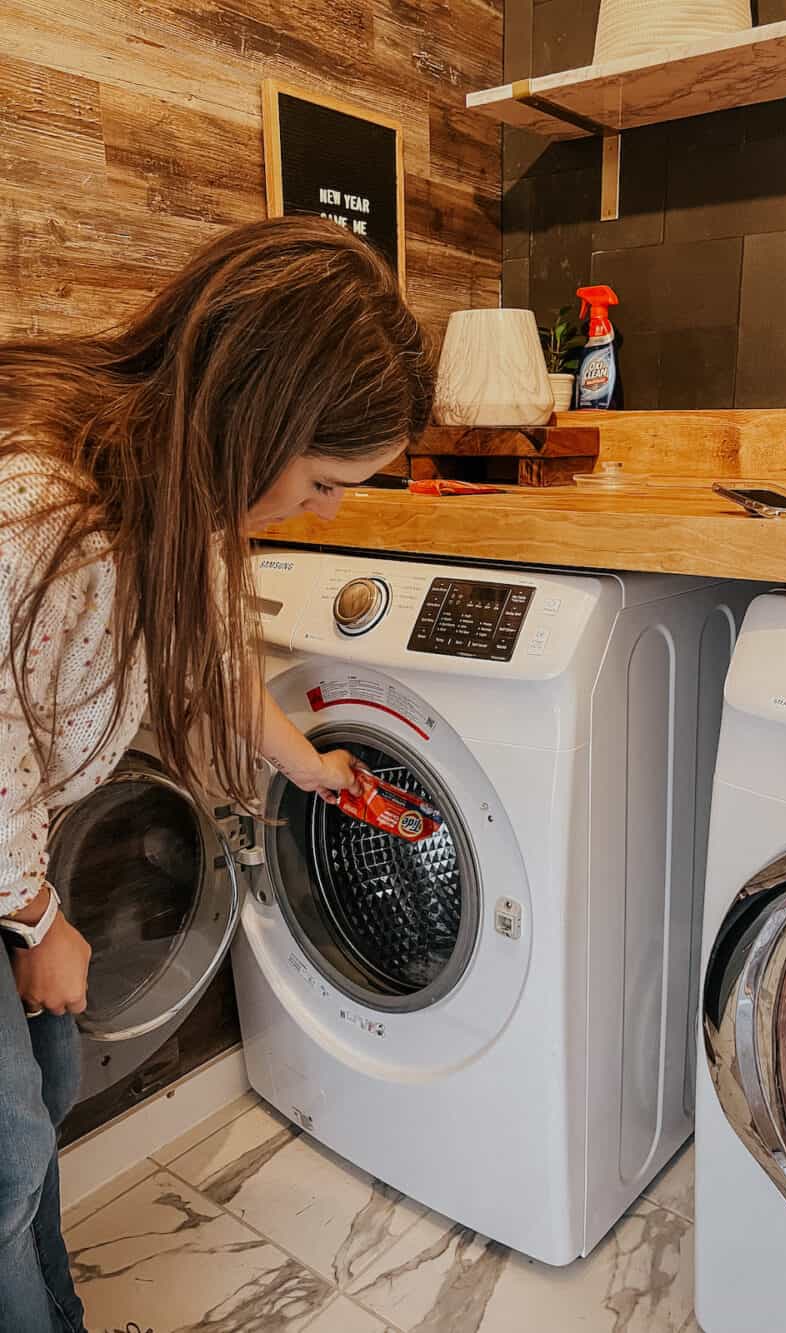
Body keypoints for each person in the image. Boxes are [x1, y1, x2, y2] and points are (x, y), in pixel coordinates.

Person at [0, 216, 434, 1333]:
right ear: (259, 416)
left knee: (40, 1096)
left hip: (9, 860)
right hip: (5, 868)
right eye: (328, 480)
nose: (329, 512)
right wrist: (39, 916)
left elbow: (207, 653)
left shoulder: (168, 488)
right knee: (3, 1156)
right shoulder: (46, 509)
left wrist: (310, 764)